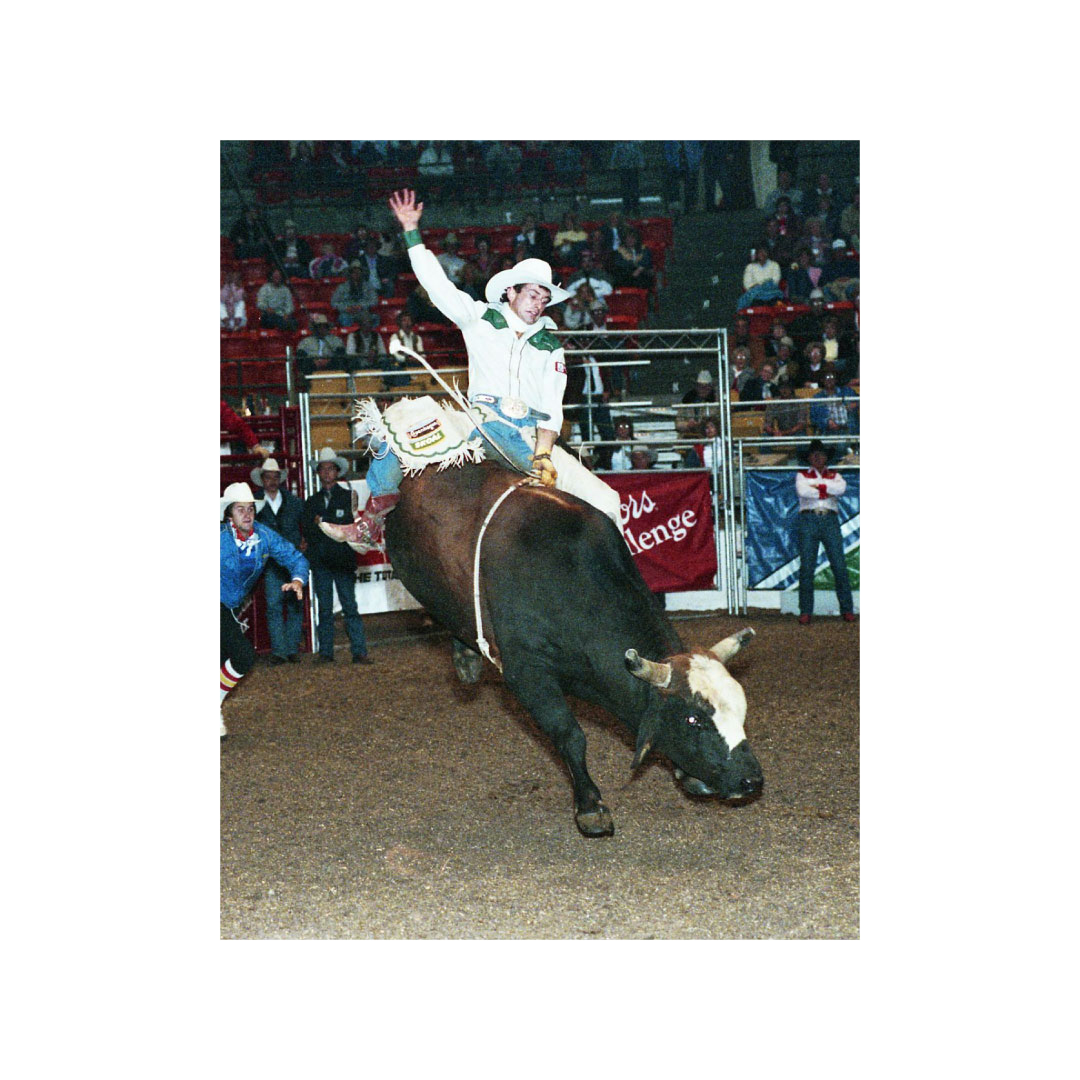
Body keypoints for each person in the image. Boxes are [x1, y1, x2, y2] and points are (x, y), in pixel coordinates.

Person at [327, 188, 623, 551]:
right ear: (511, 292)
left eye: (544, 299)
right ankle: (372, 519)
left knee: (609, 502)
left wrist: (544, 454)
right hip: (478, 420)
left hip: (528, 437)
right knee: (397, 424)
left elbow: (552, 408)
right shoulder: (480, 317)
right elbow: (437, 287)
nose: (539, 305)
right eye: (533, 295)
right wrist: (411, 233)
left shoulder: (551, 345)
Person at [220, 481, 308, 736]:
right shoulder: (218, 539)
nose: (247, 514)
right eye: (240, 509)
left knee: (222, 660)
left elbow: (296, 558)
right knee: (243, 655)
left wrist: (298, 579)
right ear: (229, 514)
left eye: (250, 508)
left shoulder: (264, 536)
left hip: (228, 606)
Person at [300, 447, 372, 664]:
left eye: (331, 469)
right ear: (319, 473)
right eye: (323, 469)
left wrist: (322, 522)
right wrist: (325, 524)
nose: (327, 473)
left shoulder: (348, 496)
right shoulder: (312, 501)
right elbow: (308, 529)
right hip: (323, 561)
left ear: (337, 472)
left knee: (349, 606)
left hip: (342, 561)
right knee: (325, 608)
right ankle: (326, 652)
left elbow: (351, 526)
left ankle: (359, 651)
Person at [794, 440, 855, 625]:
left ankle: (847, 609)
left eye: (820, 453)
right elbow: (803, 491)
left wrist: (817, 488)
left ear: (826, 456)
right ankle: (805, 611)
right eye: (814, 454)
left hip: (829, 520)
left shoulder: (835, 475)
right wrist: (827, 491)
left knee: (839, 565)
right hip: (809, 520)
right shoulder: (802, 475)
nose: (817, 457)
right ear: (809, 457)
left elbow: (841, 489)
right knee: (807, 567)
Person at [251, 458, 306, 664]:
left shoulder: (293, 502)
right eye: (268, 477)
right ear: (262, 479)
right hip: (271, 563)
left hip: (290, 560)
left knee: (293, 605)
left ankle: (290, 649)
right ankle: (280, 651)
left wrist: (304, 540)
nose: (272, 481)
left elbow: (305, 524)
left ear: (279, 479)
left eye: (275, 477)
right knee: (274, 606)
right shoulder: (254, 504)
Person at [810, 367, 860, 451]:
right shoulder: (817, 397)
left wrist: (856, 403)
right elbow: (813, 419)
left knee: (841, 446)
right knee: (824, 447)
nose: (829, 380)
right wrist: (826, 422)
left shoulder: (848, 391)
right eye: (826, 378)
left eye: (832, 377)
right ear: (822, 380)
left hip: (847, 429)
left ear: (836, 380)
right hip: (827, 431)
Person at [332, 260, 378, 327]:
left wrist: (361, 306)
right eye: (353, 272)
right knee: (344, 318)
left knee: (374, 318)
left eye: (358, 272)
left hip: (362, 312)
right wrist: (346, 308)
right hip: (347, 313)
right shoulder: (342, 287)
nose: (356, 274)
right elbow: (334, 302)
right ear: (350, 274)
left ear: (362, 273)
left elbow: (374, 300)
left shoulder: (368, 286)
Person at [677, 369, 720, 435]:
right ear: (696, 386)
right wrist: (687, 425)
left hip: (709, 438)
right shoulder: (687, 400)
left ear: (711, 387)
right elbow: (678, 423)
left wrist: (703, 425)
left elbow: (721, 423)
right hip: (688, 438)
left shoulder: (717, 403)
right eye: (700, 386)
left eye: (706, 386)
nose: (703, 389)